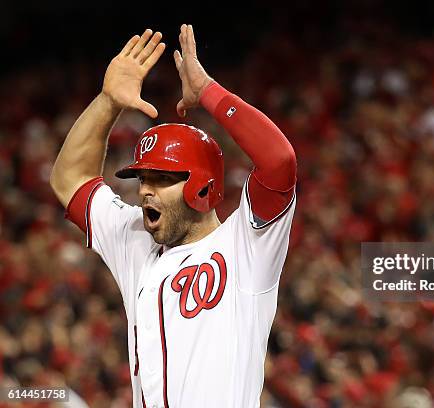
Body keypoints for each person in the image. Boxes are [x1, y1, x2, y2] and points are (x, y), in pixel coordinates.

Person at [50, 24, 297, 407]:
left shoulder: (247, 244)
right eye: (142, 178)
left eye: (162, 178)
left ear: (203, 186)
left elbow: (279, 162)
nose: (145, 189)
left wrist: (210, 94)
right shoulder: (135, 239)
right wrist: (107, 102)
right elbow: (70, 180)